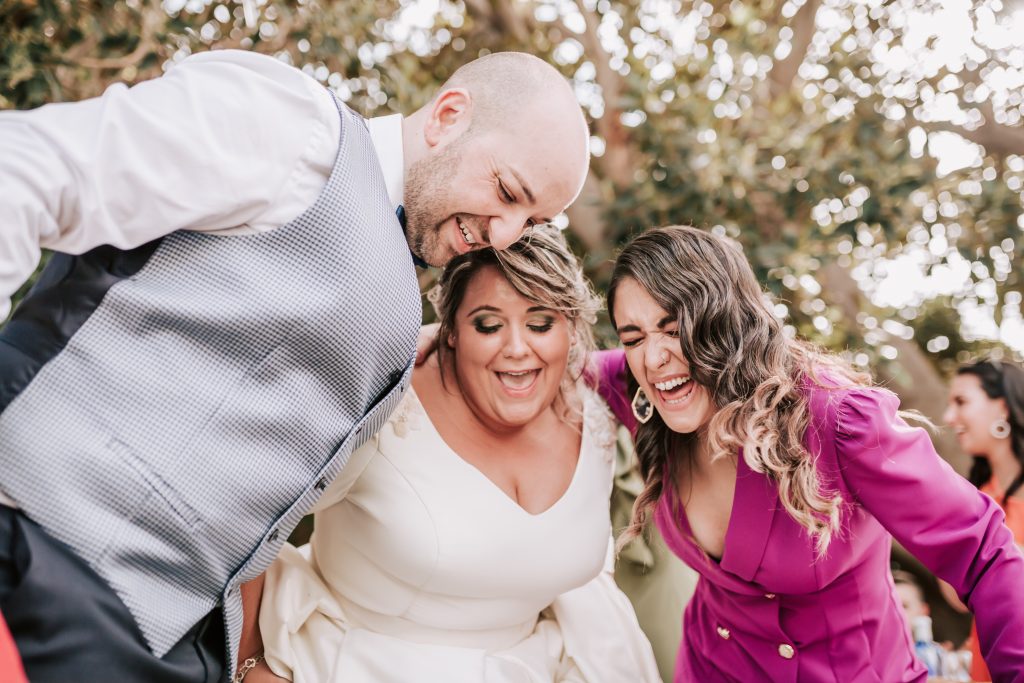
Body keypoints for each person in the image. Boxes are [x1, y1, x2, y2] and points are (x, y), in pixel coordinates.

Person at [0, 49, 590, 682]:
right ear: (448, 115)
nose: (506, 234)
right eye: (506, 192)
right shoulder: (295, 126)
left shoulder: (403, 309)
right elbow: (28, 169)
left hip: (173, 638)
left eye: (531, 220)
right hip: (37, 547)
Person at [594, 225, 1024, 681]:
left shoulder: (838, 421)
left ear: (727, 320)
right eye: (633, 337)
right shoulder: (645, 390)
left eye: (674, 328)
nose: (653, 358)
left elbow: (986, 554)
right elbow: (549, 365)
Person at [248, 225, 659, 682]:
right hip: (349, 664)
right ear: (451, 332)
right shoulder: (383, 405)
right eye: (488, 324)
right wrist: (252, 663)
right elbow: (245, 515)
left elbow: (698, 360)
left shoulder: (597, 411)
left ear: (571, 330)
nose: (518, 349)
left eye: (541, 323)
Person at [942, 358, 1024, 682]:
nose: (949, 418)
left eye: (961, 402)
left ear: (1002, 407)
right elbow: (958, 599)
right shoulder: (973, 501)